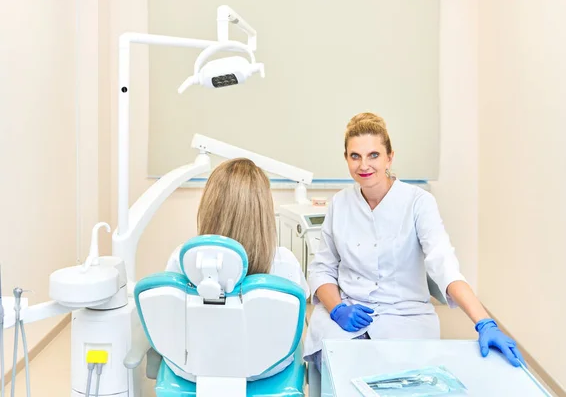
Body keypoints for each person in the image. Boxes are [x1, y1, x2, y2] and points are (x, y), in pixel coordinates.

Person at [303, 112, 525, 371]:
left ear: (390, 157)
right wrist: (338, 308)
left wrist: (484, 322)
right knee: (339, 369)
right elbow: (322, 269)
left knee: (396, 378)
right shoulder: (339, 204)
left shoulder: (418, 202)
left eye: (373, 155)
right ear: (346, 159)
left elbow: (443, 264)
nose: (364, 165)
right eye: (355, 156)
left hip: (404, 318)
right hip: (349, 313)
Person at [164, 157, 309, 380]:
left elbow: (172, 319)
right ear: (263, 210)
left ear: (210, 206)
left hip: (194, 370)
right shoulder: (284, 262)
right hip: (266, 369)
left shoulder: (183, 258)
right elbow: (296, 320)